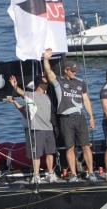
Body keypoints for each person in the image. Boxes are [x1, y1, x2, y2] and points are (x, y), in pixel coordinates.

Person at [42, 48, 98, 182]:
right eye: (72, 70)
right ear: (66, 70)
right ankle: (73, 174)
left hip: (79, 117)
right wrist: (46, 59)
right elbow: (49, 73)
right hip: (65, 119)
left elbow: (86, 100)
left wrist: (91, 116)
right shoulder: (59, 82)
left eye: (75, 71)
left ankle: (91, 172)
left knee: (85, 146)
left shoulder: (80, 83)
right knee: (70, 147)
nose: (74, 72)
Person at [8, 72, 57, 184]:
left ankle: (50, 173)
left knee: (50, 152)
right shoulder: (31, 95)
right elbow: (21, 92)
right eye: (45, 83)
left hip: (48, 128)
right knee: (37, 154)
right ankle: (36, 175)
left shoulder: (47, 96)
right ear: (40, 84)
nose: (47, 85)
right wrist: (14, 85)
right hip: (37, 128)